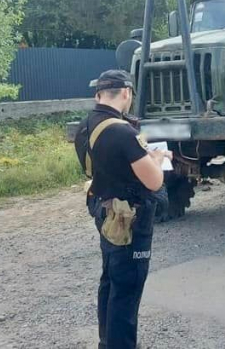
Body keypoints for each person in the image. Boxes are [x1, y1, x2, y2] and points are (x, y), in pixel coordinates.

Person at [75, 70, 171, 349]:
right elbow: (154, 181)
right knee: (127, 290)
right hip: (129, 220)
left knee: (110, 282)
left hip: (104, 212)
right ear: (127, 93)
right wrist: (157, 158)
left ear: (98, 95)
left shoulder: (86, 126)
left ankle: (107, 342)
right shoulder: (122, 131)